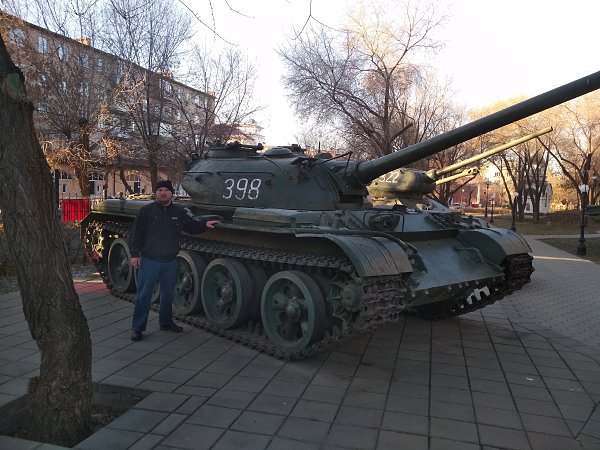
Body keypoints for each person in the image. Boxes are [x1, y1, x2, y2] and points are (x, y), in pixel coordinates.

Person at [128, 179, 219, 341]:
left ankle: (166, 322)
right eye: (160, 190)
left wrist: (205, 224)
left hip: (170, 260)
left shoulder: (178, 211)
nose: (163, 193)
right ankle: (137, 327)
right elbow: (136, 234)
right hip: (150, 259)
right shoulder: (146, 211)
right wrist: (135, 254)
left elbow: (191, 226)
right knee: (144, 295)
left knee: (168, 294)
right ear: (156, 193)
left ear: (172, 193)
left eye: (166, 190)